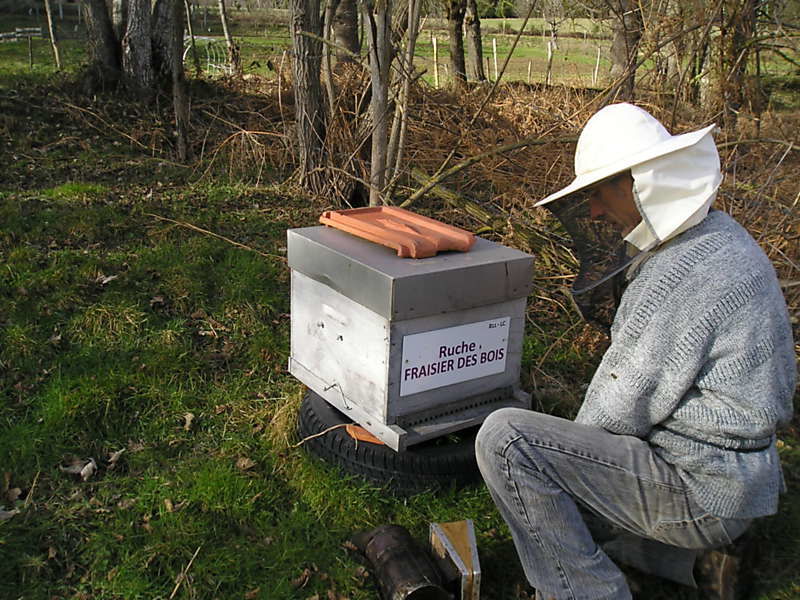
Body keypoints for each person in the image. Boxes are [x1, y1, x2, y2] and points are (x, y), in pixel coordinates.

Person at [475, 103, 796, 600]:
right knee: (561, 508)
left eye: (599, 194)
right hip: (742, 480)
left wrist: (563, 468)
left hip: (702, 486)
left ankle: (584, 593)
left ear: (637, 182)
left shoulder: (681, 274)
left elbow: (619, 407)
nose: (595, 211)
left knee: (507, 440)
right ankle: (698, 565)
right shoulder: (723, 238)